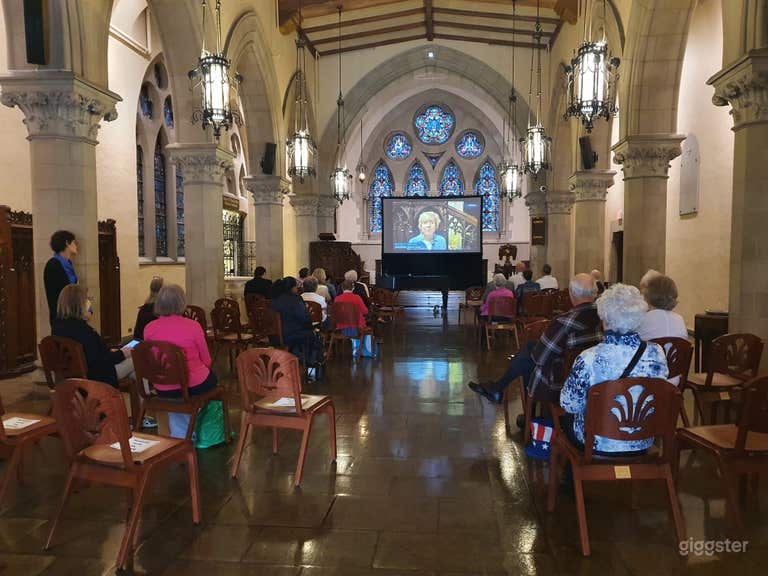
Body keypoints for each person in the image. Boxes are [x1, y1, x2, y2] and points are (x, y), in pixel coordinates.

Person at [560, 283, 669, 455]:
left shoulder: (588, 358)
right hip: (643, 441)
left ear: (605, 319)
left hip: (597, 443)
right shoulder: (657, 353)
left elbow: (569, 404)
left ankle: (573, 475)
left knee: (565, 419)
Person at [468, 274, 603, 404]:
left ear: (572, 294)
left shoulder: (564, 322)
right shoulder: (604, 319)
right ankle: (499, 390)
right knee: (529, 349)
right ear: (595, 293)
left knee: (528, 360)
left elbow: (540, 358)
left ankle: (524, 412)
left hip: (562, 384)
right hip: (596, 381)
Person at [143, 285, 219, 437]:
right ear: (182, 303)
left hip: (163, 386)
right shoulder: (193, 326)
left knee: (176, 393)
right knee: (211, 380)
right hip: (194, 385)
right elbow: (207, 360)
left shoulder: (149, 328)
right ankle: (199, 428)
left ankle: (181, 431)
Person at [53, 284, 134, 387]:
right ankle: (147, 397)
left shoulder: (57, 324)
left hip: (69, 374)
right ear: (80, 304)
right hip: (96, 376)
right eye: (87, 298)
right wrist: (122, 354)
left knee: (133, 373)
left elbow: (92, 352)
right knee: (136, 359)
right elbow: (100, 361)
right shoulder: (84, 330)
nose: (89, 301)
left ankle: (142, 396)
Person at [270, 277, 320, 358]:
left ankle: (296, 356)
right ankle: (313, 362)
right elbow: (304, 319)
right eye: (296, 286)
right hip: (291, 335)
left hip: (275, 336)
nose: (297, 288)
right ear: (292, 287)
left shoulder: (274, 300)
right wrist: (309, 318)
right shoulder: (296, 300)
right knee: (312, 335)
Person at [636, 275, 688, 342]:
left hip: (650, 352)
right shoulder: (679, 319)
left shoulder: (641, 320)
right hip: (678, 352)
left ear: (647, 295)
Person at [44, 230, 78, 327]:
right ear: (67, 243)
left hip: (72, 314)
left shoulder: (68, 263)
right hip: (61, 316)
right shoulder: (53, 264)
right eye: (74, 242)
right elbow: (59, 294)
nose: (76, 245)